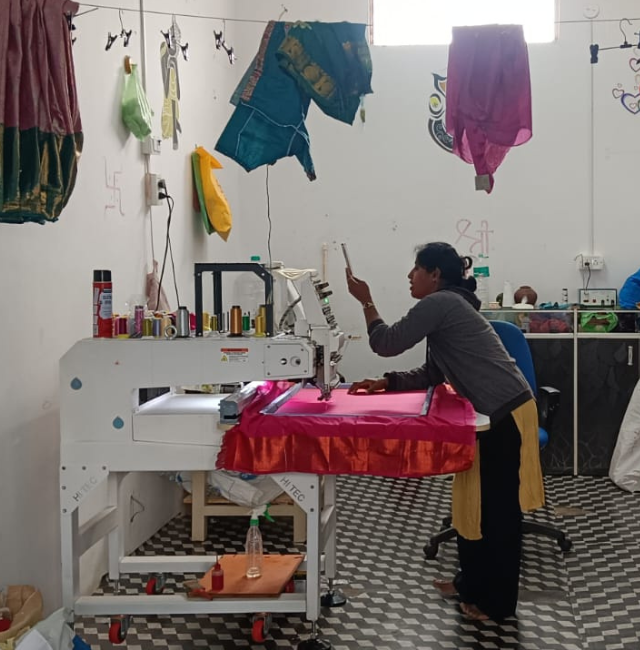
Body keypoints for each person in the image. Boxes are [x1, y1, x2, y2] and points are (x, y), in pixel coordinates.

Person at [345, 241, 544, 622]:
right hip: (490, 415)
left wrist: (366, 301)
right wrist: (386, 383)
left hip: (507, 415)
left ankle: (497, 604)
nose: (409, 276)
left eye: (415, 269)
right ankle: (470, 581)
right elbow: (434, 373)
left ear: (434, 275)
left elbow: (385, 342)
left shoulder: (439, 304)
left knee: (499, 513)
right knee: (472, 499)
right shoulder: (450, 306)